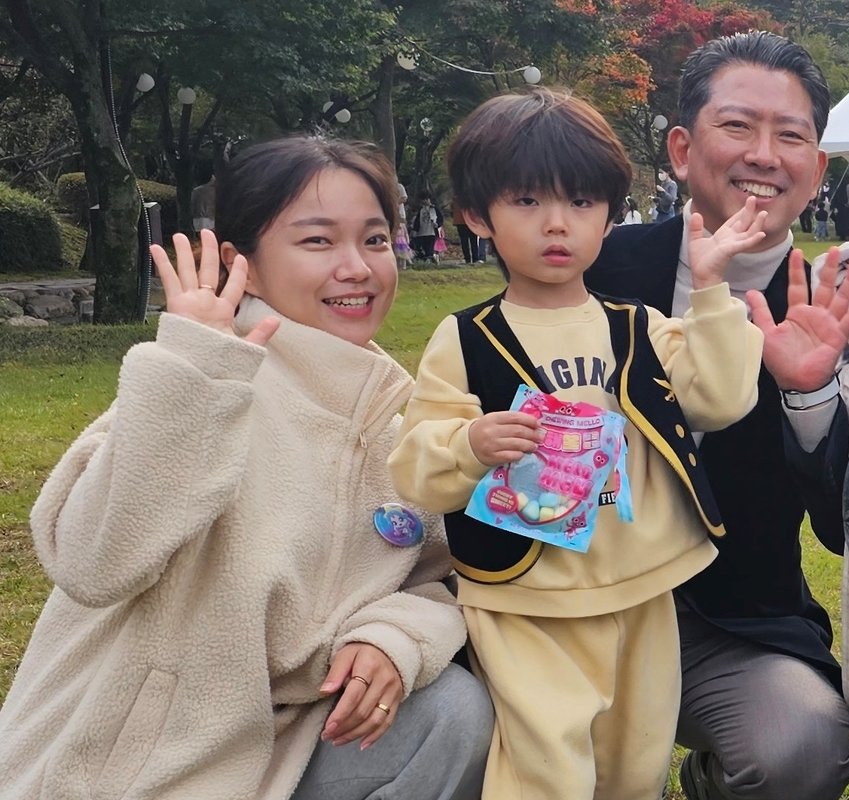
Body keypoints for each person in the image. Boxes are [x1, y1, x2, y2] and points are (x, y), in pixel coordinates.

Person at [0, 137, 492, 798]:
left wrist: (393, 639)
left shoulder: (395, 421)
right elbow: (94, 561)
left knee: (453, 712)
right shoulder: (203, 385)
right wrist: (194, 372)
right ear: (244, 266)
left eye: (375, 240)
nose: (357, 268)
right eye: (317, 242)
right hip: (126, 771)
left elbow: (431, 577)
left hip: (281, 750)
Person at [389, 87, 768, 798]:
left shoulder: (639, 327)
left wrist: (712, 289)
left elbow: (720, 399)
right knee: (548, 775)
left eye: (582, 202)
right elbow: (417, 467)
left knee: (633, 769)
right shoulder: (467, 339)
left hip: (640, 592)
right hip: (525, 600)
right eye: (527, 202)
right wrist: (470, 442)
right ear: (479, 216)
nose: (557, 224)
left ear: (609, 215)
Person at [583, 30, 849, 800]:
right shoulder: (592, 270)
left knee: (801, 743)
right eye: (738, 126)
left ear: (818, 168)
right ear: (682, 149)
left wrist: (810, 396)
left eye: (791, 135)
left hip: (731, 621)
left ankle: (713, 777)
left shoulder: (847, 314)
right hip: (575, 602)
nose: (764, 155)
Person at [410, 192, 443, 262]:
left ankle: (430, 259)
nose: (425, 201)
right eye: (423, 200)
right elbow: (417, 221)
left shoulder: (434, 209)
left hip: (431, 232)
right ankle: (428, 259)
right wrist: (415, 230)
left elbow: (440, 218)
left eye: (426, 199)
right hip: (422, 232)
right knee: (424, 247)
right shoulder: (421, 210)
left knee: (430, 248)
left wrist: (438, 224)